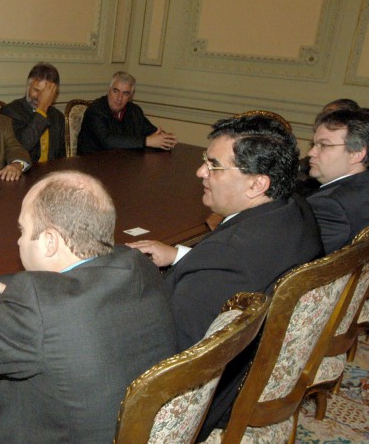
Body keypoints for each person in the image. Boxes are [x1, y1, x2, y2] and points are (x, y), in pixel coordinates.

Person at [0, 171, 176, 443]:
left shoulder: (39, 312)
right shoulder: (136, 263)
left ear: (49, 242)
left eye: (22, 230)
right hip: (127, 431)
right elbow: (68, 287)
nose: (19, 240)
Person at [127, 113, 322, 439]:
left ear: (257, 183)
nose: (200, 171)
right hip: (250, 367)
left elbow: (169, 359)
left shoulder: (226, 261)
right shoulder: (296, 210)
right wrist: (179, 254)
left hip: (209, 401)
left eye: (214, 165)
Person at [306, 109, 369, 253]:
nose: (311, 152)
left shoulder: (330, 206)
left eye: (324, 145)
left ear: (356, 154)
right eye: (314, 144)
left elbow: (299, 265)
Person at [77, 71, 176, 154]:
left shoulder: (134, 111)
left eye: (125, 93)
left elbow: (152, 132)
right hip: (92, 167)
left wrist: (164, 139)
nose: (119, 98)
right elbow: (107, 141)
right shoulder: (96, 110)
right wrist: (146, 141)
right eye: (116, 91)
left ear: (130, 97)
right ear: (109, 91)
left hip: (123, 166)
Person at [0, 62, 66, 162]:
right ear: (28, 87)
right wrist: (42, 108)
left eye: (45, 94)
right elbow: (21, 148)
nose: (40, 97)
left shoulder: (58, 117)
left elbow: (61, 159)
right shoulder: (10, 111)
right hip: (23, 174)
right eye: (36, 90)